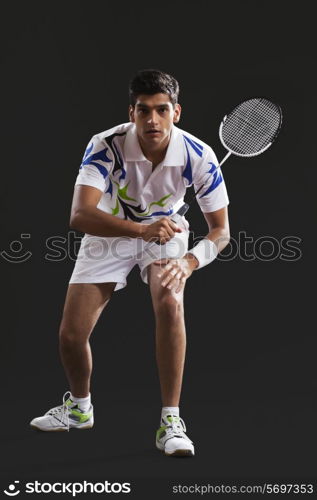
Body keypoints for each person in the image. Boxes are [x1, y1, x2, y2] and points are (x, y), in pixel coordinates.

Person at [30, 69, 230, 457]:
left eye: (160, 110)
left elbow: (220, 231)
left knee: (171, 301)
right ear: (132, 112)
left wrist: (189, 262)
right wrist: (139, 230)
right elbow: (80, 216)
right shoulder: (107, 145)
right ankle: (79, 408)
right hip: (112, 230)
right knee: (71, 336)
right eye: (143, 111)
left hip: (167, 237)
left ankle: (171, 421)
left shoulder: (199, 156)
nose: (152, 120)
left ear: (176, 112)